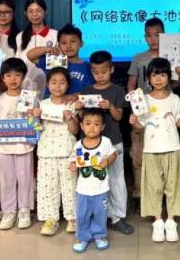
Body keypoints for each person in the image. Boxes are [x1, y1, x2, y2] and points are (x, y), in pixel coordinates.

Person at [129, 58, 180, 243]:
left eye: (163, 75)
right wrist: (134, 122)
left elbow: (177, 124)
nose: (158, 79)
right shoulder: (143, 100)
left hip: (172, 148)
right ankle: (157, 221)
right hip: (151, 150)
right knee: (153, 186)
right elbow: (141, 126)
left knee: (173, 186)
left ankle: (171, 220)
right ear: (148, 78)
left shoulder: (175, 99)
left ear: (169, 77)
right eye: (154, 75)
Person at [126, 17, 180, 211]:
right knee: (139, 156)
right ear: (145, 37)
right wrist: (135, 106)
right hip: (143, 112)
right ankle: (139, 194)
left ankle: (164, 198)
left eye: (157, 35)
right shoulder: (138, 58)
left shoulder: (172, 56)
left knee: (164, 156)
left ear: (164, 35)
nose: (153, 39)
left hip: (163, 111)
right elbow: (131, 84)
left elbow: (174, 85)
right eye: (149, 36)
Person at [81, 50, 133, 234]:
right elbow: (82, 119)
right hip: (90, 144)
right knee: (94, 179)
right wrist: (79, 108)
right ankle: (98, 216)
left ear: (111, 70)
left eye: (103, 71)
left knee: (117, 179)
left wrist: (110, 106)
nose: (100, 75)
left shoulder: (118, 90)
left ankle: (117, 217)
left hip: (113, 141)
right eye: (95, 72)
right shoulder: (87, 91)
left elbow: (118, 117)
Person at [0, 58, 36, 230]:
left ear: (23, 77)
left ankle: (24, 210)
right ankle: (8, 211)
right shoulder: (0, 100)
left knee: (25, 180)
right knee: (7, 180)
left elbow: (35, 124)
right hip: (4, 149)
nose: (13, 79)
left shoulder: (29, 98)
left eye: (17, 75)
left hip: (24, 147)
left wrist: (33, 116)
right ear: (2, 78)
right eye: (8, 75)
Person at [33, 67, 78, 236]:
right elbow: (35, 129)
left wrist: (70, 118)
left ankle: (73, 218)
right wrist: (35, 117)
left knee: (70, 186)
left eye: (62, 83)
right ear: (47, 84)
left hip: (67, 151)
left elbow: (75, 131)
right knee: (48, 187)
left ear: (68, 85)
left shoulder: (71, 104)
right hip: (46, 152)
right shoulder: (42, 104)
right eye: (53, 82)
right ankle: (50, 219)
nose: (58, 86)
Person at [70, 108, 118, 253]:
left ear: (102, 127)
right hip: (83, 190)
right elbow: (73, 159)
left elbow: (114, 154)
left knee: (100, 214)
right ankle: (82, 237)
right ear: (82, 126)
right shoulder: (78, 145)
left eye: (96, 124)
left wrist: (107, 161)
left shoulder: (105, 142)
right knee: (82, 215)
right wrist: (72, 165)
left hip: (100, 189)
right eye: (88, 123)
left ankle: (100, 235)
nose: (92, 127)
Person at [15, 0, 58, 94]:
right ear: (25, 13)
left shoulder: (55, 35)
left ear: (45, 12)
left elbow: (58, 64)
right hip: (25, 87)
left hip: (50, 87)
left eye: (38, 10)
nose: (34, 14)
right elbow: (18, 63)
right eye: (30, 11)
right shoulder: (20, 36)